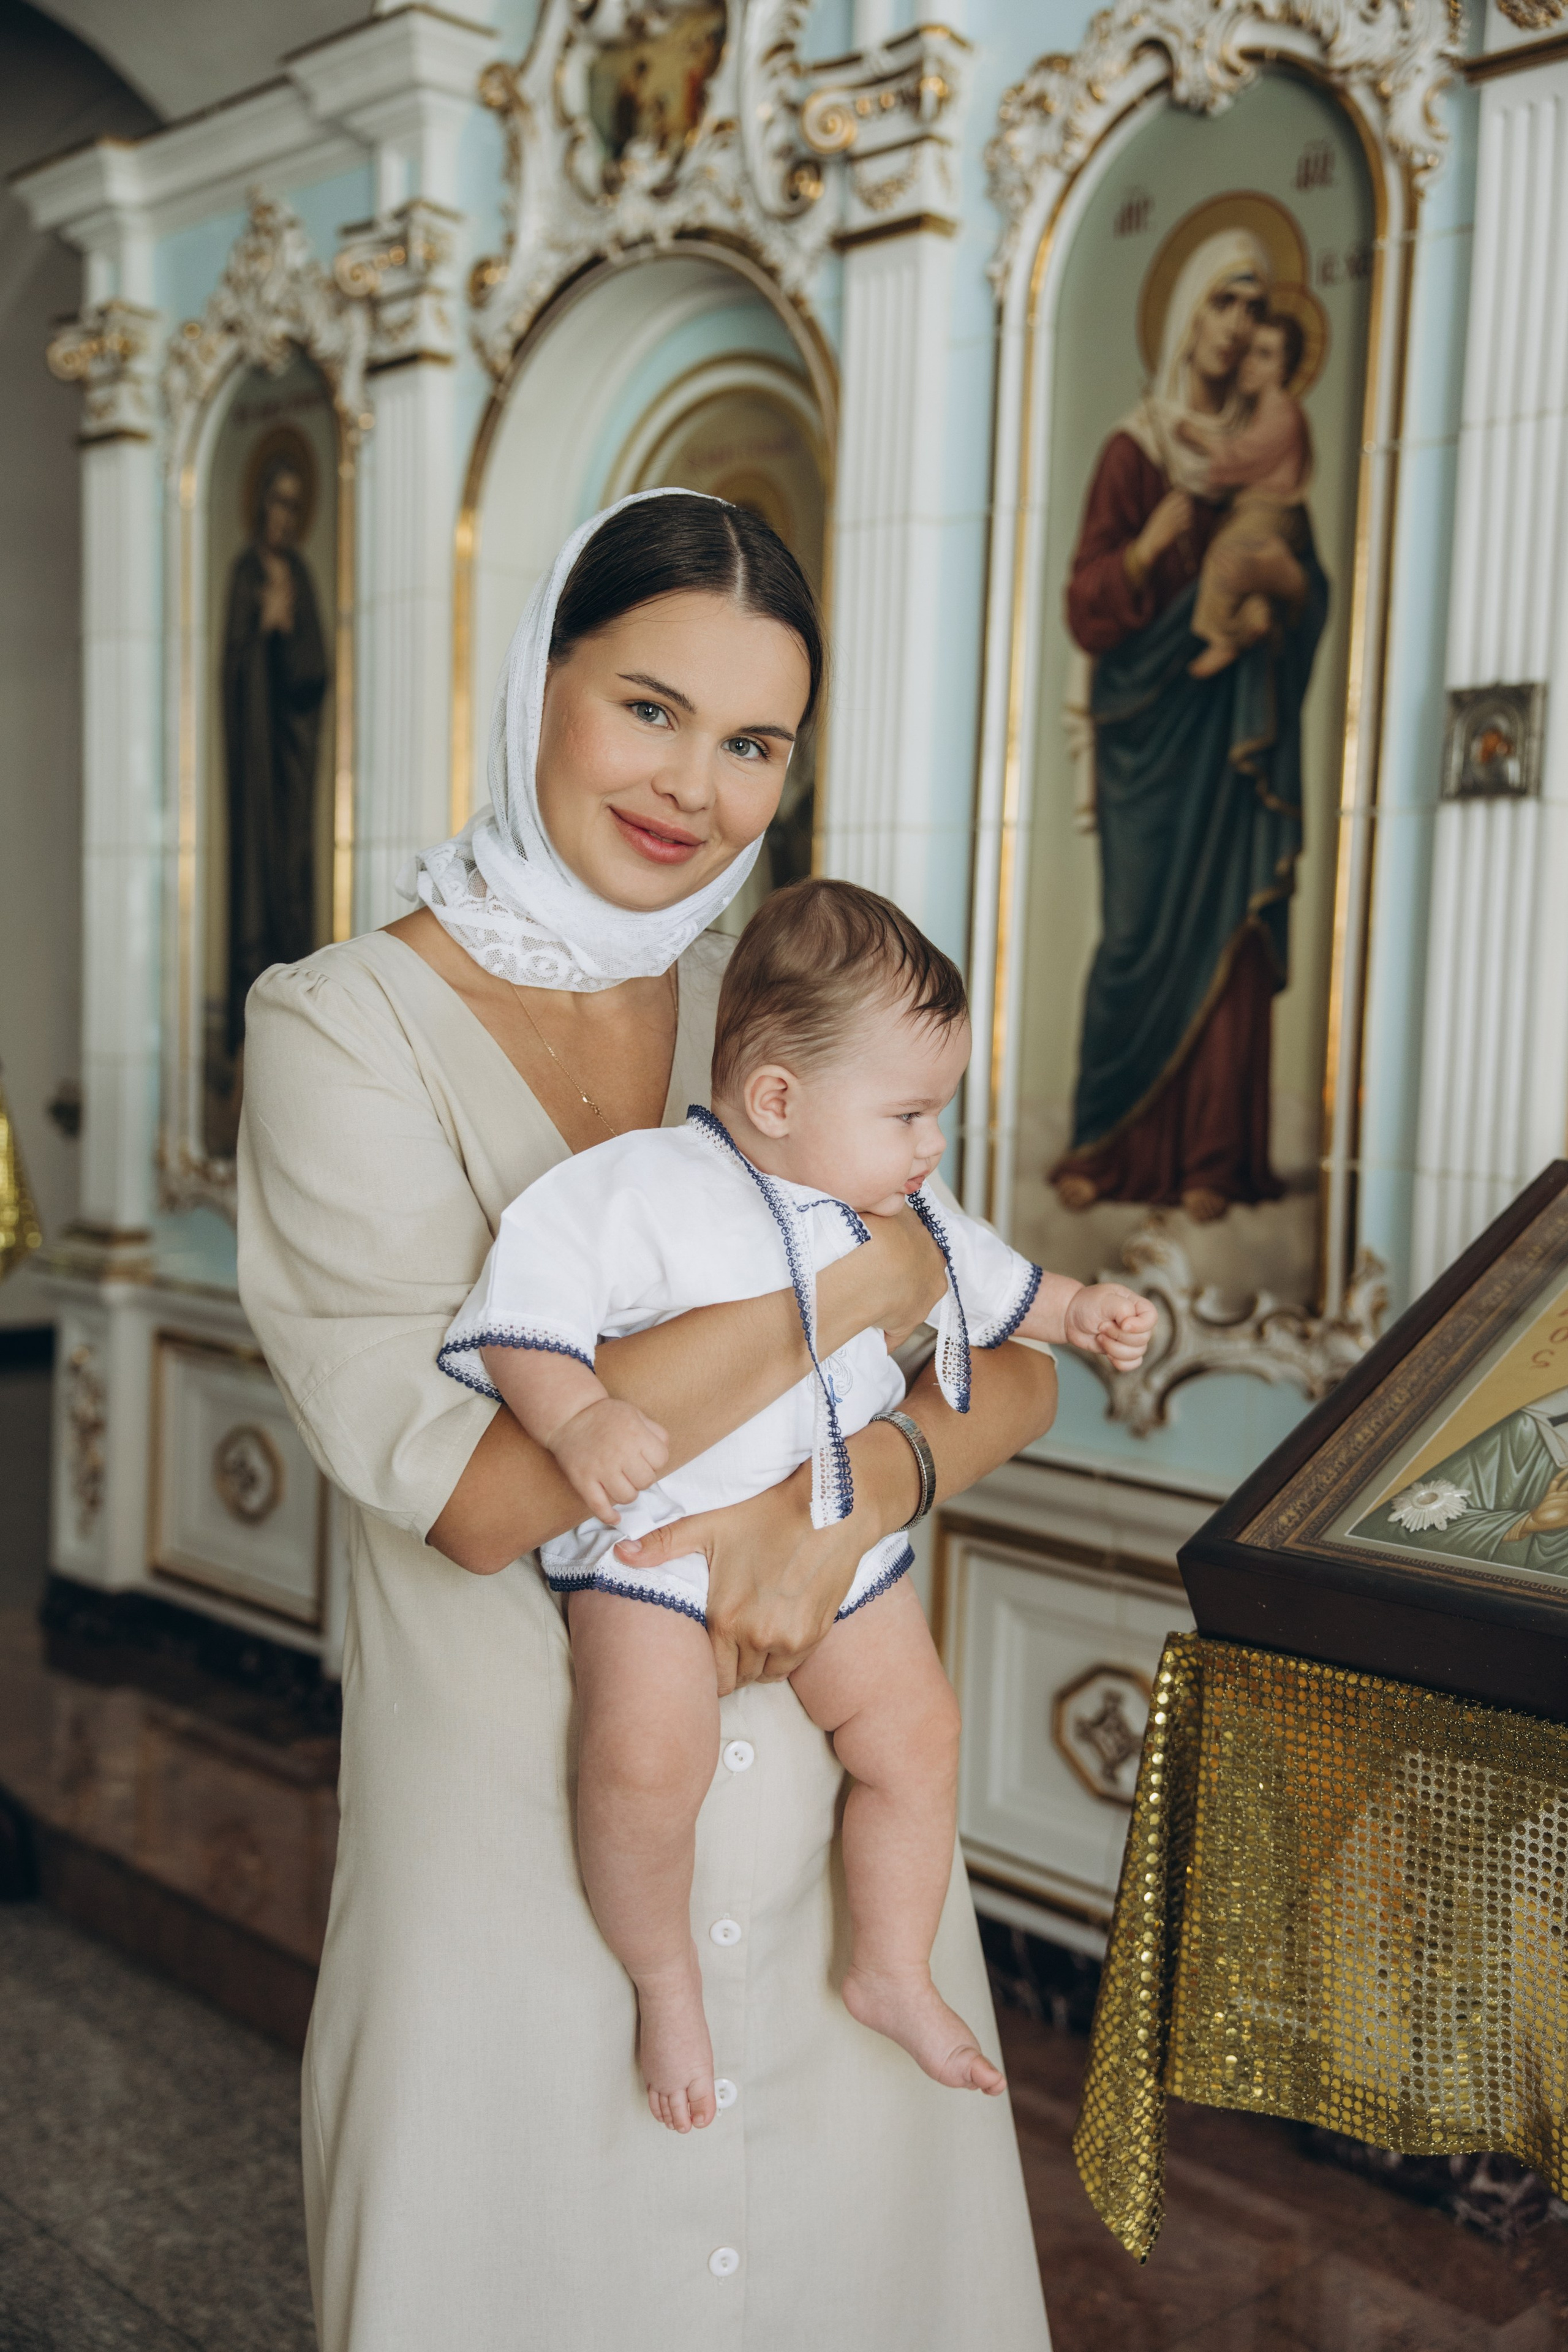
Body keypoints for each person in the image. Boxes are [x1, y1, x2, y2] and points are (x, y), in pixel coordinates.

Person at [237, 490, 1059, 2349]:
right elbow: (474, 1489)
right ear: (538, 677)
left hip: (841, 1845)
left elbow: (1006, 1358)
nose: (697, 782)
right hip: (518, 1850)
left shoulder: (784, 1003)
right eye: (649, 707)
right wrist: (838, 1290)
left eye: (755, 738)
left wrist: (837, 1524)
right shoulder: (341, 1026)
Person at [442, 877, 1155, 2133]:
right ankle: (663, 1982)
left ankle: (887, 1964)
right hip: (651, 1549)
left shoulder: (902, 1210)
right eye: (909, 1114)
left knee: (915, 1737)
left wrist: (1079, 1313)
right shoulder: (637, 1190)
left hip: (834, 1529)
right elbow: (527, 1319)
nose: (931, 1147)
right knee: (641, 1758)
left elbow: (994, 1292)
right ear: (776, 1097)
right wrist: (579, 1417)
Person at [1052, 230, 1329, 1224]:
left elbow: (1307, 578)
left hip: (1235, 731)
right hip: (1148, 733)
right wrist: (1143, 556)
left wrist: (1283, 597)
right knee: (1133, 936)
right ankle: (1105, 1141)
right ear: (1187, 314)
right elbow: (1086, 603)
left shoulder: (1264, 451)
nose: (1240, 325)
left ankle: (1216, 1157)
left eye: (1255, 310)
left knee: (1234, 934)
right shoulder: (1138, 450)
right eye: (1225, 303)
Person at [222, 456, 327, 1058]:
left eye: (294, 505)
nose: (284, 517)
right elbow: (231, 666)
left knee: (290, 867)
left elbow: (314, 675)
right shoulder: (244, 572)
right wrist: (260, 630)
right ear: (261, 506)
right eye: (277, 503)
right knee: (252, 871)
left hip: (291, 756)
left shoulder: (301, 576)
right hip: (252, 758)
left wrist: (288, 635)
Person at [1176, 312, 1313, 678]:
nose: (1249, 364)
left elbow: (1247, 455)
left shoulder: (1281, 410)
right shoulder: (1261, 410)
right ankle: (1253, 614)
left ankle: (1223, 638)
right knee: (1233, 565)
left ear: (1285, 369)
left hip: (1273, 511)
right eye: (1249, 352)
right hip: (1256, 509)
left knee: (1225, 557)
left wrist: (1201, 439)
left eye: (1265, 355)